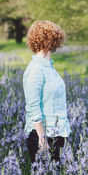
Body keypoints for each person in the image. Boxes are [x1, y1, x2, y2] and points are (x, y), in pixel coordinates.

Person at [23, 20, 71, 164]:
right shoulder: (36, 69)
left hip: (57, 132)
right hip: (43, 136)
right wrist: (42, 139)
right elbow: (33, 106)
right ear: (52, 39)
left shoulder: (49, 67)